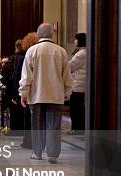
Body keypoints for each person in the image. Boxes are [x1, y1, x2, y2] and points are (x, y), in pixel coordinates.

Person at [19, 23, 72, 164]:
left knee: (37, 125)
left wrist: (23, 93)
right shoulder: (61, 51)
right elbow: (67, 75)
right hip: (55, 95)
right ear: (52, 34)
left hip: (36, 95)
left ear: (38, 34)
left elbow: (26, 76)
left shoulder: (32, 51)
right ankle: (53, 154)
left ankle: (37, 153)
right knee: (54, 125)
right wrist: (67, 91)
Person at [68, 33, 86, 134]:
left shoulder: (81, 53)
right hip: (80, 84)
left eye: (76, 39)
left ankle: (77, 129)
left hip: (78, 85)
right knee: (78, 108)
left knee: (76, 109)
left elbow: (70, 66)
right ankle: (77, 128)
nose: (74, 41)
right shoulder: (82, 52)